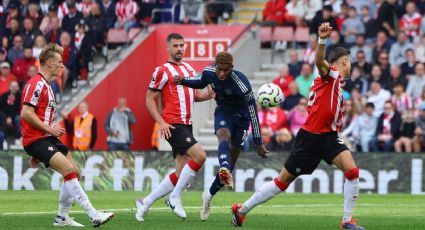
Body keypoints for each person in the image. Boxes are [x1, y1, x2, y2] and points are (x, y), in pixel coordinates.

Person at [230, 23, 364, 230]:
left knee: (353, 172)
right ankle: (241, 210)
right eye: (350, 62)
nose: (351, 65)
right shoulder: (330, 74)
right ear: (344, 61)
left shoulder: (337, 82)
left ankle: (347, 221)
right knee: (282, 182)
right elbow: (320, 61)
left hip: (329, 136)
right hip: (310, 138)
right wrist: (322, 39)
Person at [20, 43, 114, 227]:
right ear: (49, 63)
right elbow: (26, 113)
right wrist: (46, 133)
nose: (62, 66)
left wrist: (42, 141)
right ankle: (93, 214)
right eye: (59, 62)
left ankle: (62, 217)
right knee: (69, 170)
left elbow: (35, 115)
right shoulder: (37, 84)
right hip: (38, 138)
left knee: (74, 171)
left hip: (44, 137)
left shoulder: (47, 85)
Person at [174, 51, 268, 221]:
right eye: (220, 69)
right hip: (223, 112)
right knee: (223, 136)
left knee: (231, 164)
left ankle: (208, 195)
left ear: (232, 68)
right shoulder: (209, 72)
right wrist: (183, 81)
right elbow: (200, 82)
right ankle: (224, 166)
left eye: (226, 70)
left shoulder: (242, 84)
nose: (222, 73)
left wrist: (258, 142)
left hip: (242, 119)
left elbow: (253, 112)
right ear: (215, 66)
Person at [135, 33, 213, 221]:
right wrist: (161, 122)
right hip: (173, 124)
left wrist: (209, 95)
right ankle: (174, 197)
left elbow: (194, 96)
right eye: (176, 45)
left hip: (187, 123)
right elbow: (149, 99)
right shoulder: (162, 70)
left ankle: (145, 202)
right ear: (168, 48)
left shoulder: (188, 68)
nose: (179, 49)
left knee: (180, 173)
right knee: (200, 156)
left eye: (182, 45)